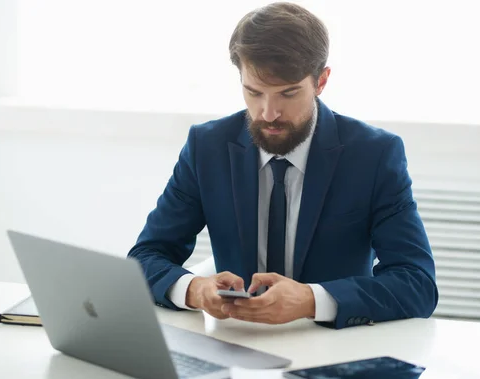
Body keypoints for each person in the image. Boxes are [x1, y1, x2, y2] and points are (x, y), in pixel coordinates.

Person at [128, 2, 438, 330]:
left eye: (288, 94)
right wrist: (195, 290)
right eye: (254, 92)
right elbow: (145, 258)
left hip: (334, 353)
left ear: (321, 81)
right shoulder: (207, 148)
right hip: (237, 348)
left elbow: (417, 283)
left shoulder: (374, 155)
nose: (268, 112)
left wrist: (310, 300)